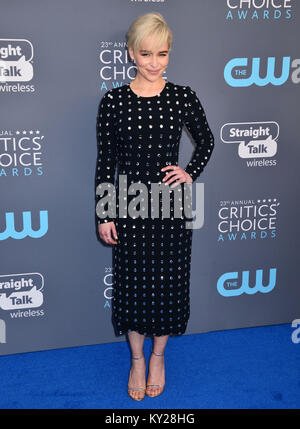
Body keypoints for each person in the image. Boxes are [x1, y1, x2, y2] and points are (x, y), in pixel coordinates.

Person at [95, 12, 215, 401]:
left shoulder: (183, 96)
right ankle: (136, 359)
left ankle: (158, 356)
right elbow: (105, 163)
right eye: (146, 53)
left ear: (169, 54)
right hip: (129, 208)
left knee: (168, 286)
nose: (154, 62)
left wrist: (189, 173)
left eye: (162, 53)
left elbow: (207, 140)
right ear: (131, 52)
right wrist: (104, 212)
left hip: (171, 209)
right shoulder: (113, 102)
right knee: (131, 288)